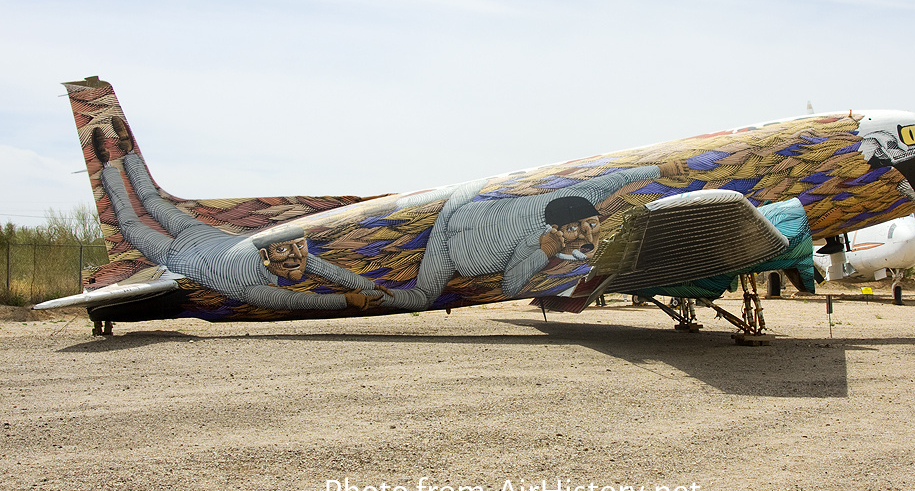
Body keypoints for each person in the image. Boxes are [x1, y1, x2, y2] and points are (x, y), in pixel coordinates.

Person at [93, 120, 384, 312]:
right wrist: (345, 299)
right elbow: (297, 299)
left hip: (193, 238)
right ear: (268, 256)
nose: (297, 256)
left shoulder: (281, 252)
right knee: (135, 219)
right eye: (286, 249)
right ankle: (113, 162)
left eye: (299, 248)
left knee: (148, 204)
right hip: (184, 245)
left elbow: (327, 271)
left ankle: (117, 160)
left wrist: (370, 287)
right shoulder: (254, 288)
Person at [382, 160, 685, 310]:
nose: (586, 233)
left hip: (451, 236)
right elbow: (511, 284)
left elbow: (619, 178)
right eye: (580, 228)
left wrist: (662, 168)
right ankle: (393, 205)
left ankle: (359, 296)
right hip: (451, 222)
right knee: (421, 294)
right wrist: (544, 252)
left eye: (590, 226)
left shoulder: (575, 203)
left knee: (420, 296)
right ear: (558, 229)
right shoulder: (543, 241)